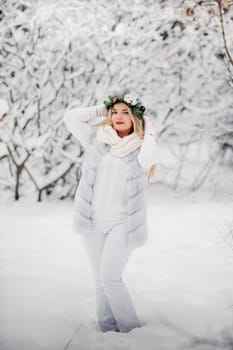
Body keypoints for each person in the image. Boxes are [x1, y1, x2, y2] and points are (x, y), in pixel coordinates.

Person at [63, 90, 159, 333]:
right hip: (93, 221)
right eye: (114, 112)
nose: (117, 116)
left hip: (123, 223)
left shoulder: (141, 149)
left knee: (110, 278)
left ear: (135, 117)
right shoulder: (97, 141)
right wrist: (100, 109)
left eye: (125, 112)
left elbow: (151, 144)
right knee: (99, 280)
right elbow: (71, 117)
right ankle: (107, 330)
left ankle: (131, 330)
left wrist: (146, 121)